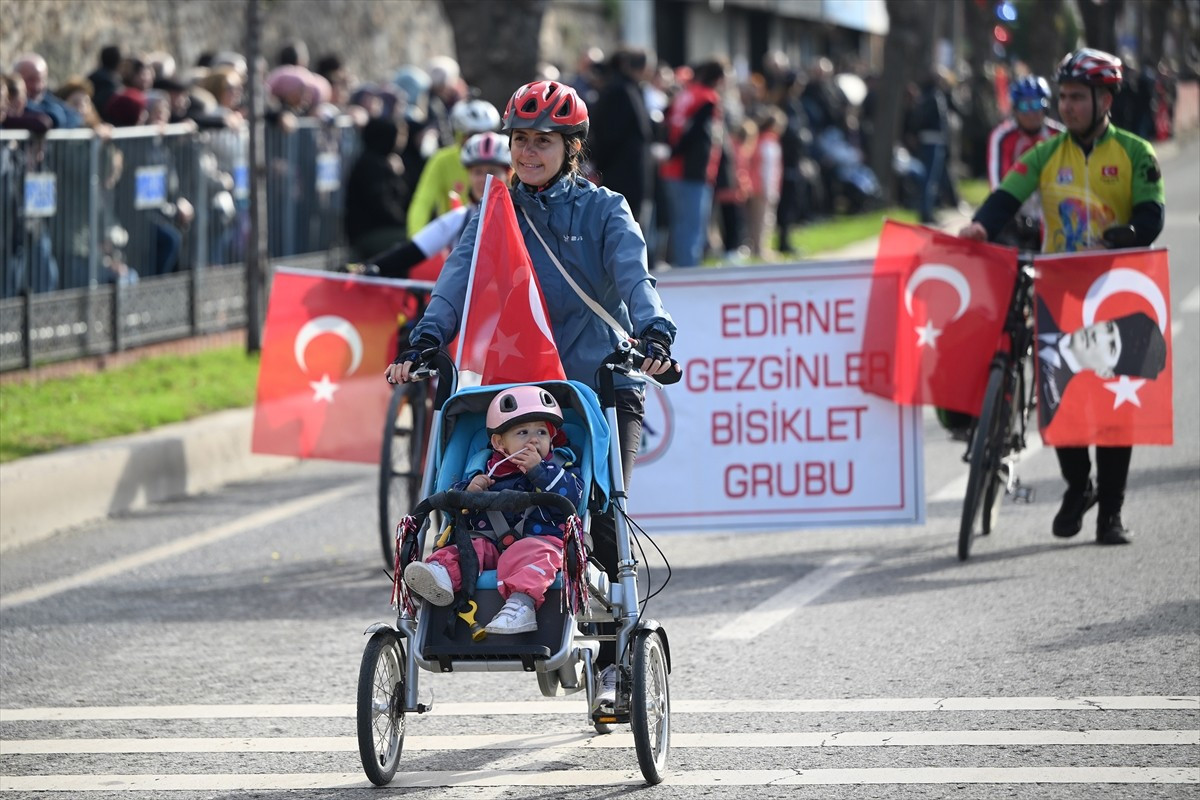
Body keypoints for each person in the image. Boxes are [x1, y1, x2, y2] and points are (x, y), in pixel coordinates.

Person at [387, 79, 679, 705]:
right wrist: (425, 337)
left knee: (599, 514)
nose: (527, 153)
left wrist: (654, 330)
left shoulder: (605, 209)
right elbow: (455, 281)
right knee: (476, 497)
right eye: (520, 140)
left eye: (543, 142)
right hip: (518, 391)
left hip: (597, 386)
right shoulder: (492, 211)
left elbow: (635, 276)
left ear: (572, 147)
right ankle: (466, 592)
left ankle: (609, 664)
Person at [960, 48, 1165, 545]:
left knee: (1115, 409)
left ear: (1105, 98)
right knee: (1061, 401)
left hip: (1116, 290)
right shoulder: (1048, 153)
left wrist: (1128, 232)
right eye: (1065, 97)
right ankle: (1079, 487)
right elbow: (1005, 196)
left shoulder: (1136, 152)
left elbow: (1151, 216)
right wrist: (980, 227)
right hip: (1061, 289)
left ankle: (1110, 514)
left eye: (1078, 97)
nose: (1067, 106)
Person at [403, 386, 585, 634]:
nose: (534, 439)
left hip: (539, 541)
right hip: (488, 542)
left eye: (542, 432)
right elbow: (457, 508)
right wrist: (470, 490)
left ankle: (521, 605)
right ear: (499, 442)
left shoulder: (559, 466)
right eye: (522, 432)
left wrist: (539, 472)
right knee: (466, 548)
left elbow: (574, 497)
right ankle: (440, 576)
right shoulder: (485, 469)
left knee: (533, 554)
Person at [369, 131, 512, 279]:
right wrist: (369, 267)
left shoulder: (521, 216)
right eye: (477, 172)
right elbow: (413, 251)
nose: (484, 179)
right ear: (468, 175)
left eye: (492, 172)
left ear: (508, 176)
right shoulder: (460, 217)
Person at [1036, 304, 1167, 428]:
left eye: (1112, 347)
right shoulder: (1039, 306)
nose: (1098, 336)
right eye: (1109, 327)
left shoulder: (1048, 404)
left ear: (1105, 373)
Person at [985, 75, 1066, 249]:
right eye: (1024, 106)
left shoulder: (1060, 135)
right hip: (1017, 213)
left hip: (1054, 211)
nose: (1031, 113)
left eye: (1037, 104)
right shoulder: (1002, 136)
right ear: (1015, 109)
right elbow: (998, 183)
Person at [661, 58, 728, 267]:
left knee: (679, 226)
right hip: (691, 171)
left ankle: (680, 269)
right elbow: (696, 134)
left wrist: (670, 153)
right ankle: (688, 278)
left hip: (671, 170)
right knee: (692, 229)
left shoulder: (685, 94)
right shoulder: (707, 98)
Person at [406, 97, 501, 236]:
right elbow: (422, 202)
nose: (480, 142)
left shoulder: (505, 161)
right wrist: (416, 243)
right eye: (473, 135)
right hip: (453, 238)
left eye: (487, 134)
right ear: (460, 134)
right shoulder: (442, 159)